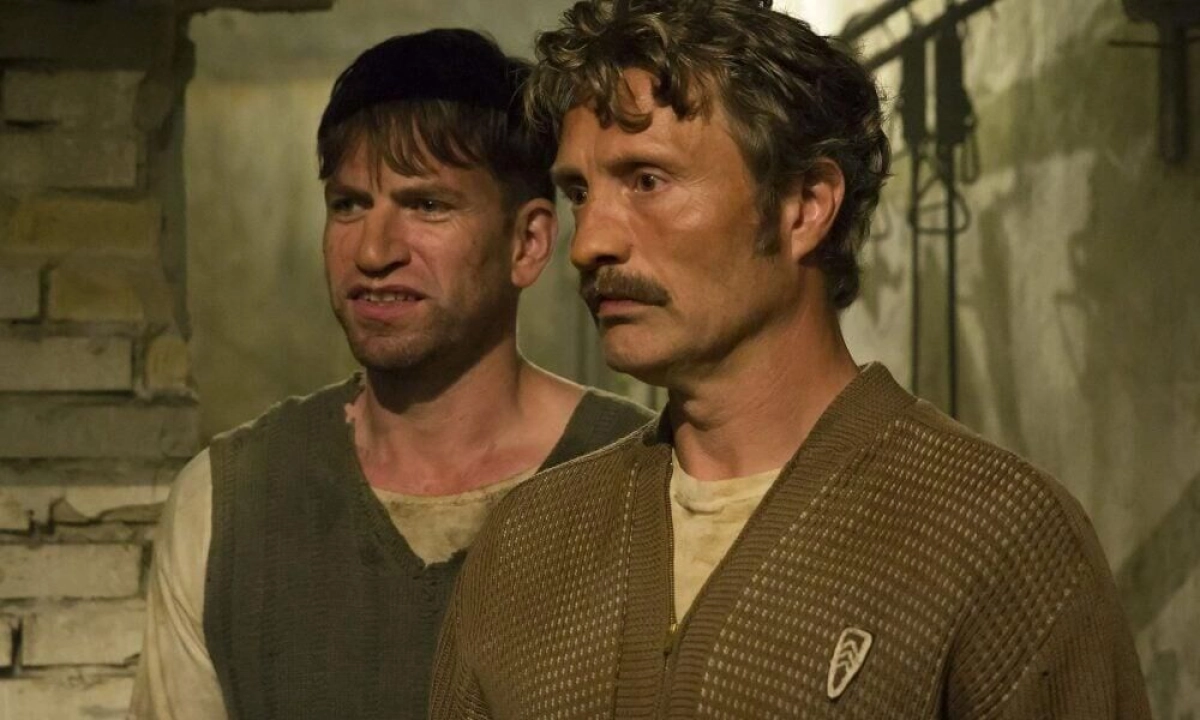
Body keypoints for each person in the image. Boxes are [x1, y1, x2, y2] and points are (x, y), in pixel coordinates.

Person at [430, 2, 1152, 717]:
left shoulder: (993, 534)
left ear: (805, 205)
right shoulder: (528, 543)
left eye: (647, 180)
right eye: (580, 194)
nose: (590, 243)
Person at [129, 29, 652, 720]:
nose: (373, 252)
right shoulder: (230, 503)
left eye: (426, 205)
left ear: (527, 243)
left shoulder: (650, 481)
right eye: (348, 205)